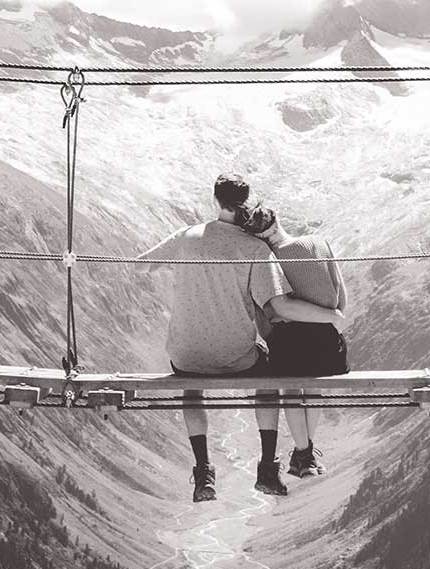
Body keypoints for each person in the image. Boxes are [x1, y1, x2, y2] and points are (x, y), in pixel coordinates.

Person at [138, 174, 348, 502]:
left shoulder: (186, 236)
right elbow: (279, 305)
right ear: (246, 201)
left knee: (190, 387)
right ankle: (267, 468)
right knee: (269, 375)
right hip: (236, 358)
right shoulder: (254, 248)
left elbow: (141, 266)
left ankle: (203, 472)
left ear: (215, 201)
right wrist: (331, 316)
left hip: (185, 355)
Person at [240, 203, 348, 479]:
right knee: (314, 389)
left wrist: (273, 335)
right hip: (330, 345)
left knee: (291, 389)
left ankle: (304, 453)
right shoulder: (318, 242)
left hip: (291, 344)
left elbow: (270, 312)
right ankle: (305, 453)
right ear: (278, 221)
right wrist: (329, 317)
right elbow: (341, 298)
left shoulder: (267, 258)